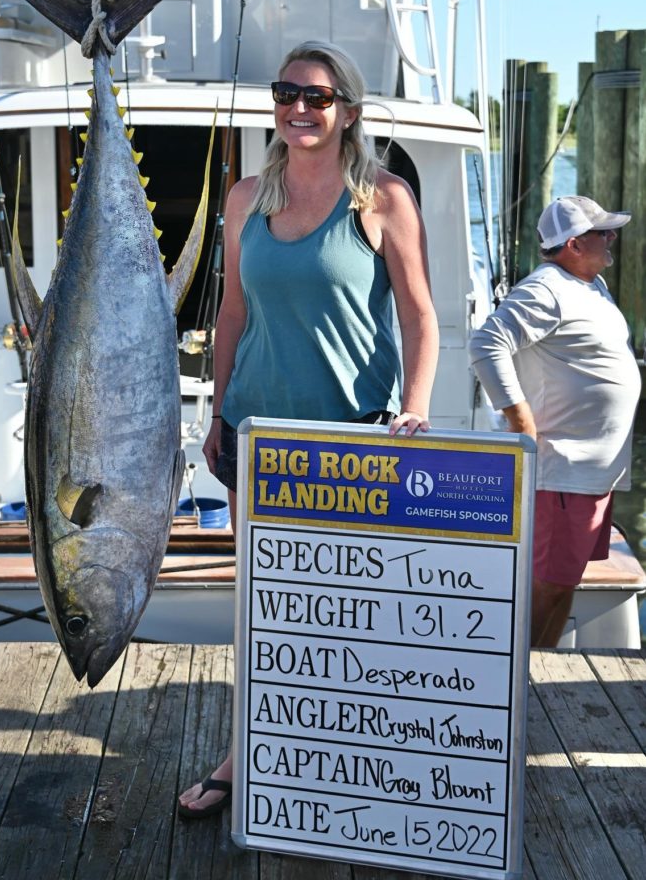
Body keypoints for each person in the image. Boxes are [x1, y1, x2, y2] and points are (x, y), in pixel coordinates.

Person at [177, 40, 439, 818]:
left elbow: (420, 315)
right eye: (286, 93)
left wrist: (414, 406)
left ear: (347, 111)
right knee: (266, 609)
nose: (298, 107)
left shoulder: (383, 197)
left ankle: (352, 760)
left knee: (350, 608)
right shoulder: (243, 198)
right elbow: (231, 313)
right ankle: (244, 755)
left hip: (352, 438)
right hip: (258, 437)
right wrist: (217, 414)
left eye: (317, 97)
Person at [469, 195, 641, 648]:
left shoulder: (589, 285)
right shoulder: (545, 287)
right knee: (548, 584)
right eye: (601, 232)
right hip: (561, 470)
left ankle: (542, 665)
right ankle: (521, 678)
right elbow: (486, 342)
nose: (612, 239)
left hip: (591, 475)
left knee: (565, 582)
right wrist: (520, 418)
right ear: (572, 245)